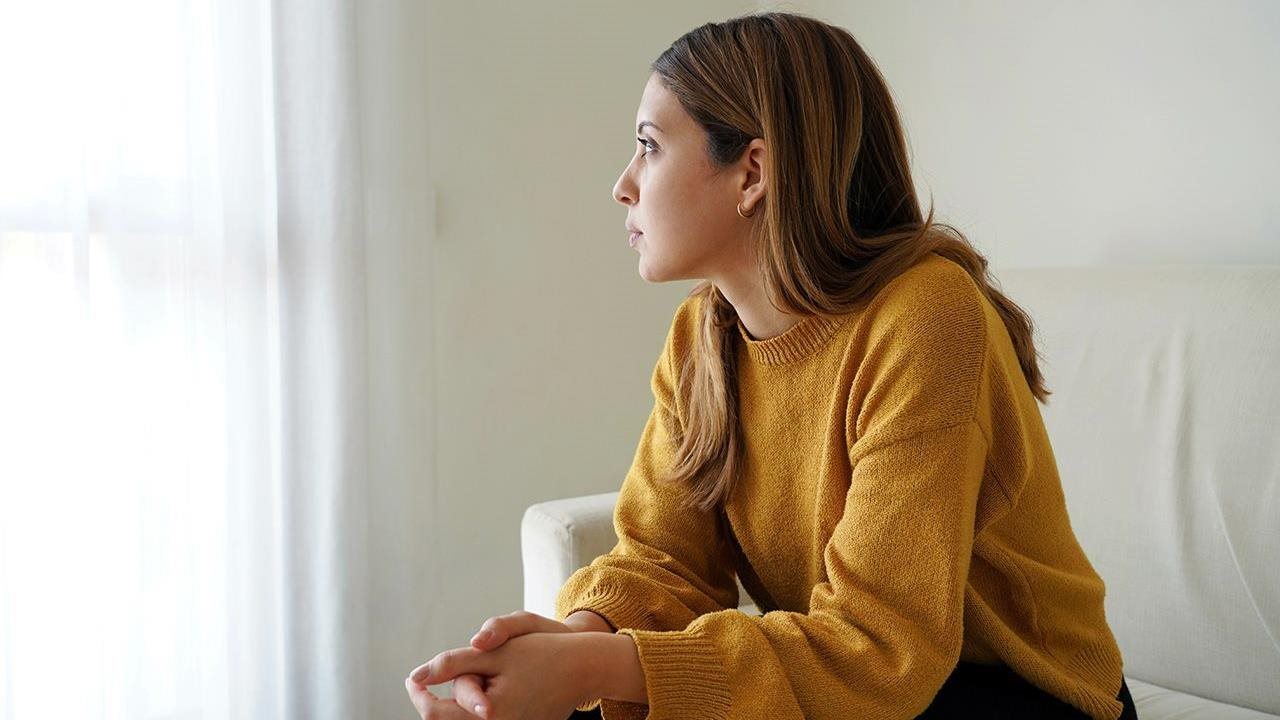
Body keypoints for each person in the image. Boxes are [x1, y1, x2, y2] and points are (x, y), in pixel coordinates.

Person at [405, 10, 1140, 720]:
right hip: (874, 683)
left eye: (650, 145)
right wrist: (572, 648)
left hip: (1018, 691)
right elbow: (663, 558)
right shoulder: (704, 335)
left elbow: (881, 648)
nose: (623, 184)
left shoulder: (925, 317)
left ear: (751, 170)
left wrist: (600, 669)